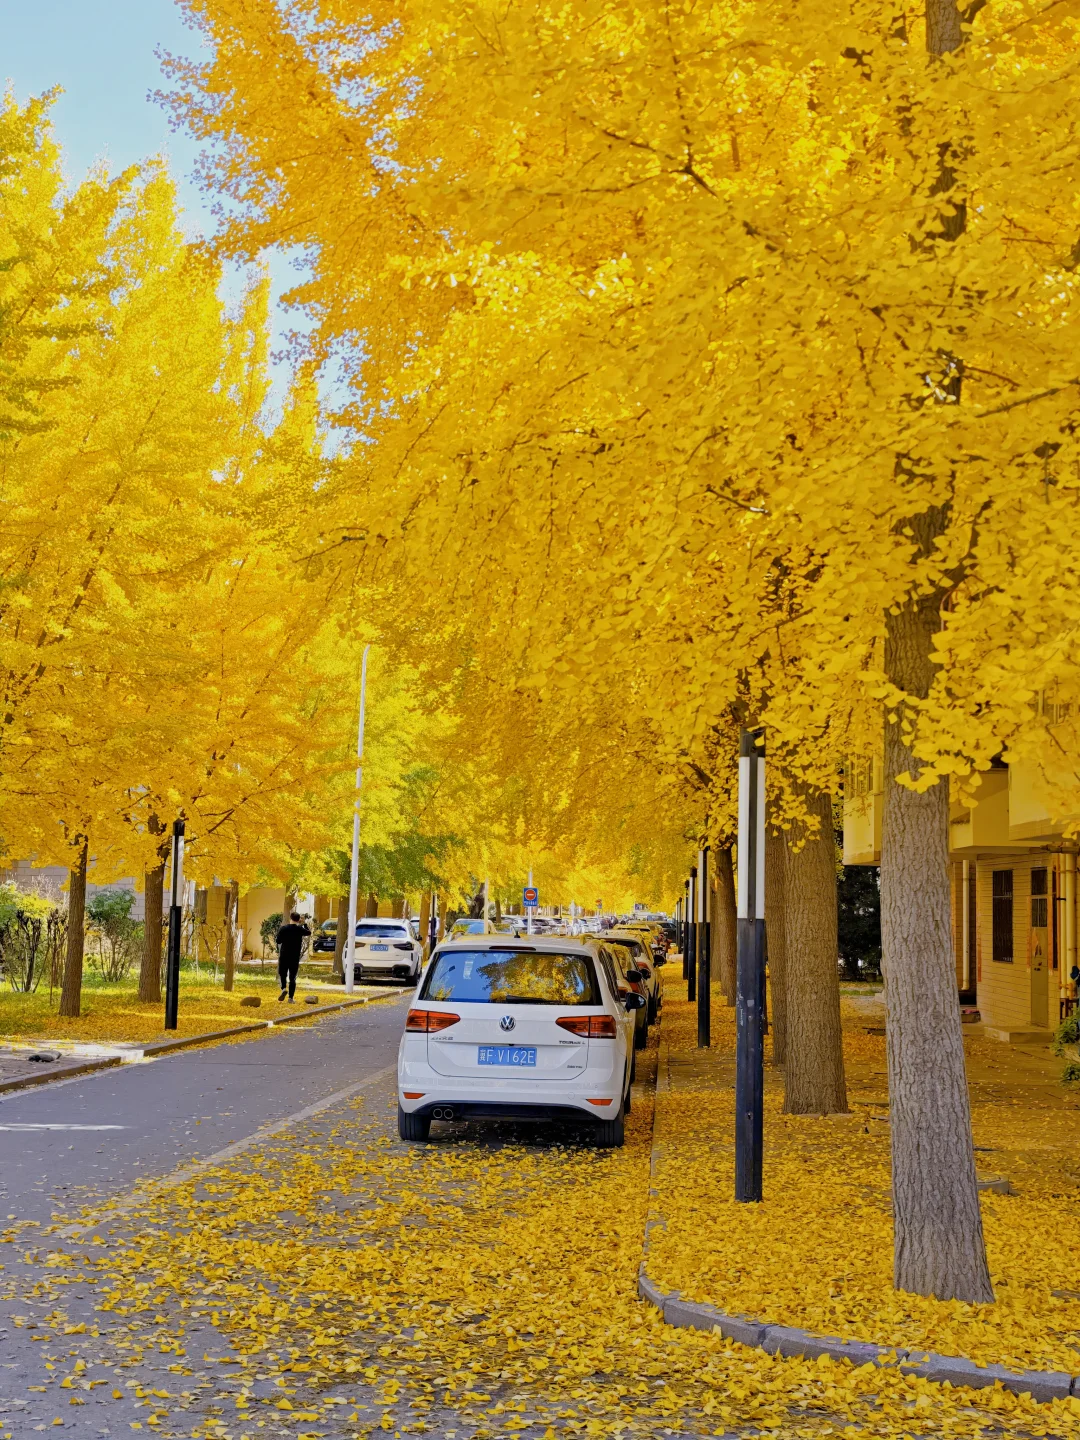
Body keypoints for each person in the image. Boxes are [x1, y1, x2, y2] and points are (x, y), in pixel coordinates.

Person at [276, 911, 311, 1002]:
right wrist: (304, 924)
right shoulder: (300, 929)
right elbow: (309, 932)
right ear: (298, 920)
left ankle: (283, 988)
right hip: (294, 956)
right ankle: (291, 998)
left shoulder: (283, 928)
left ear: (290, 918)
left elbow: (278, 941)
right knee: (292, 977)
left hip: (284, 955)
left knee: (282, 974)